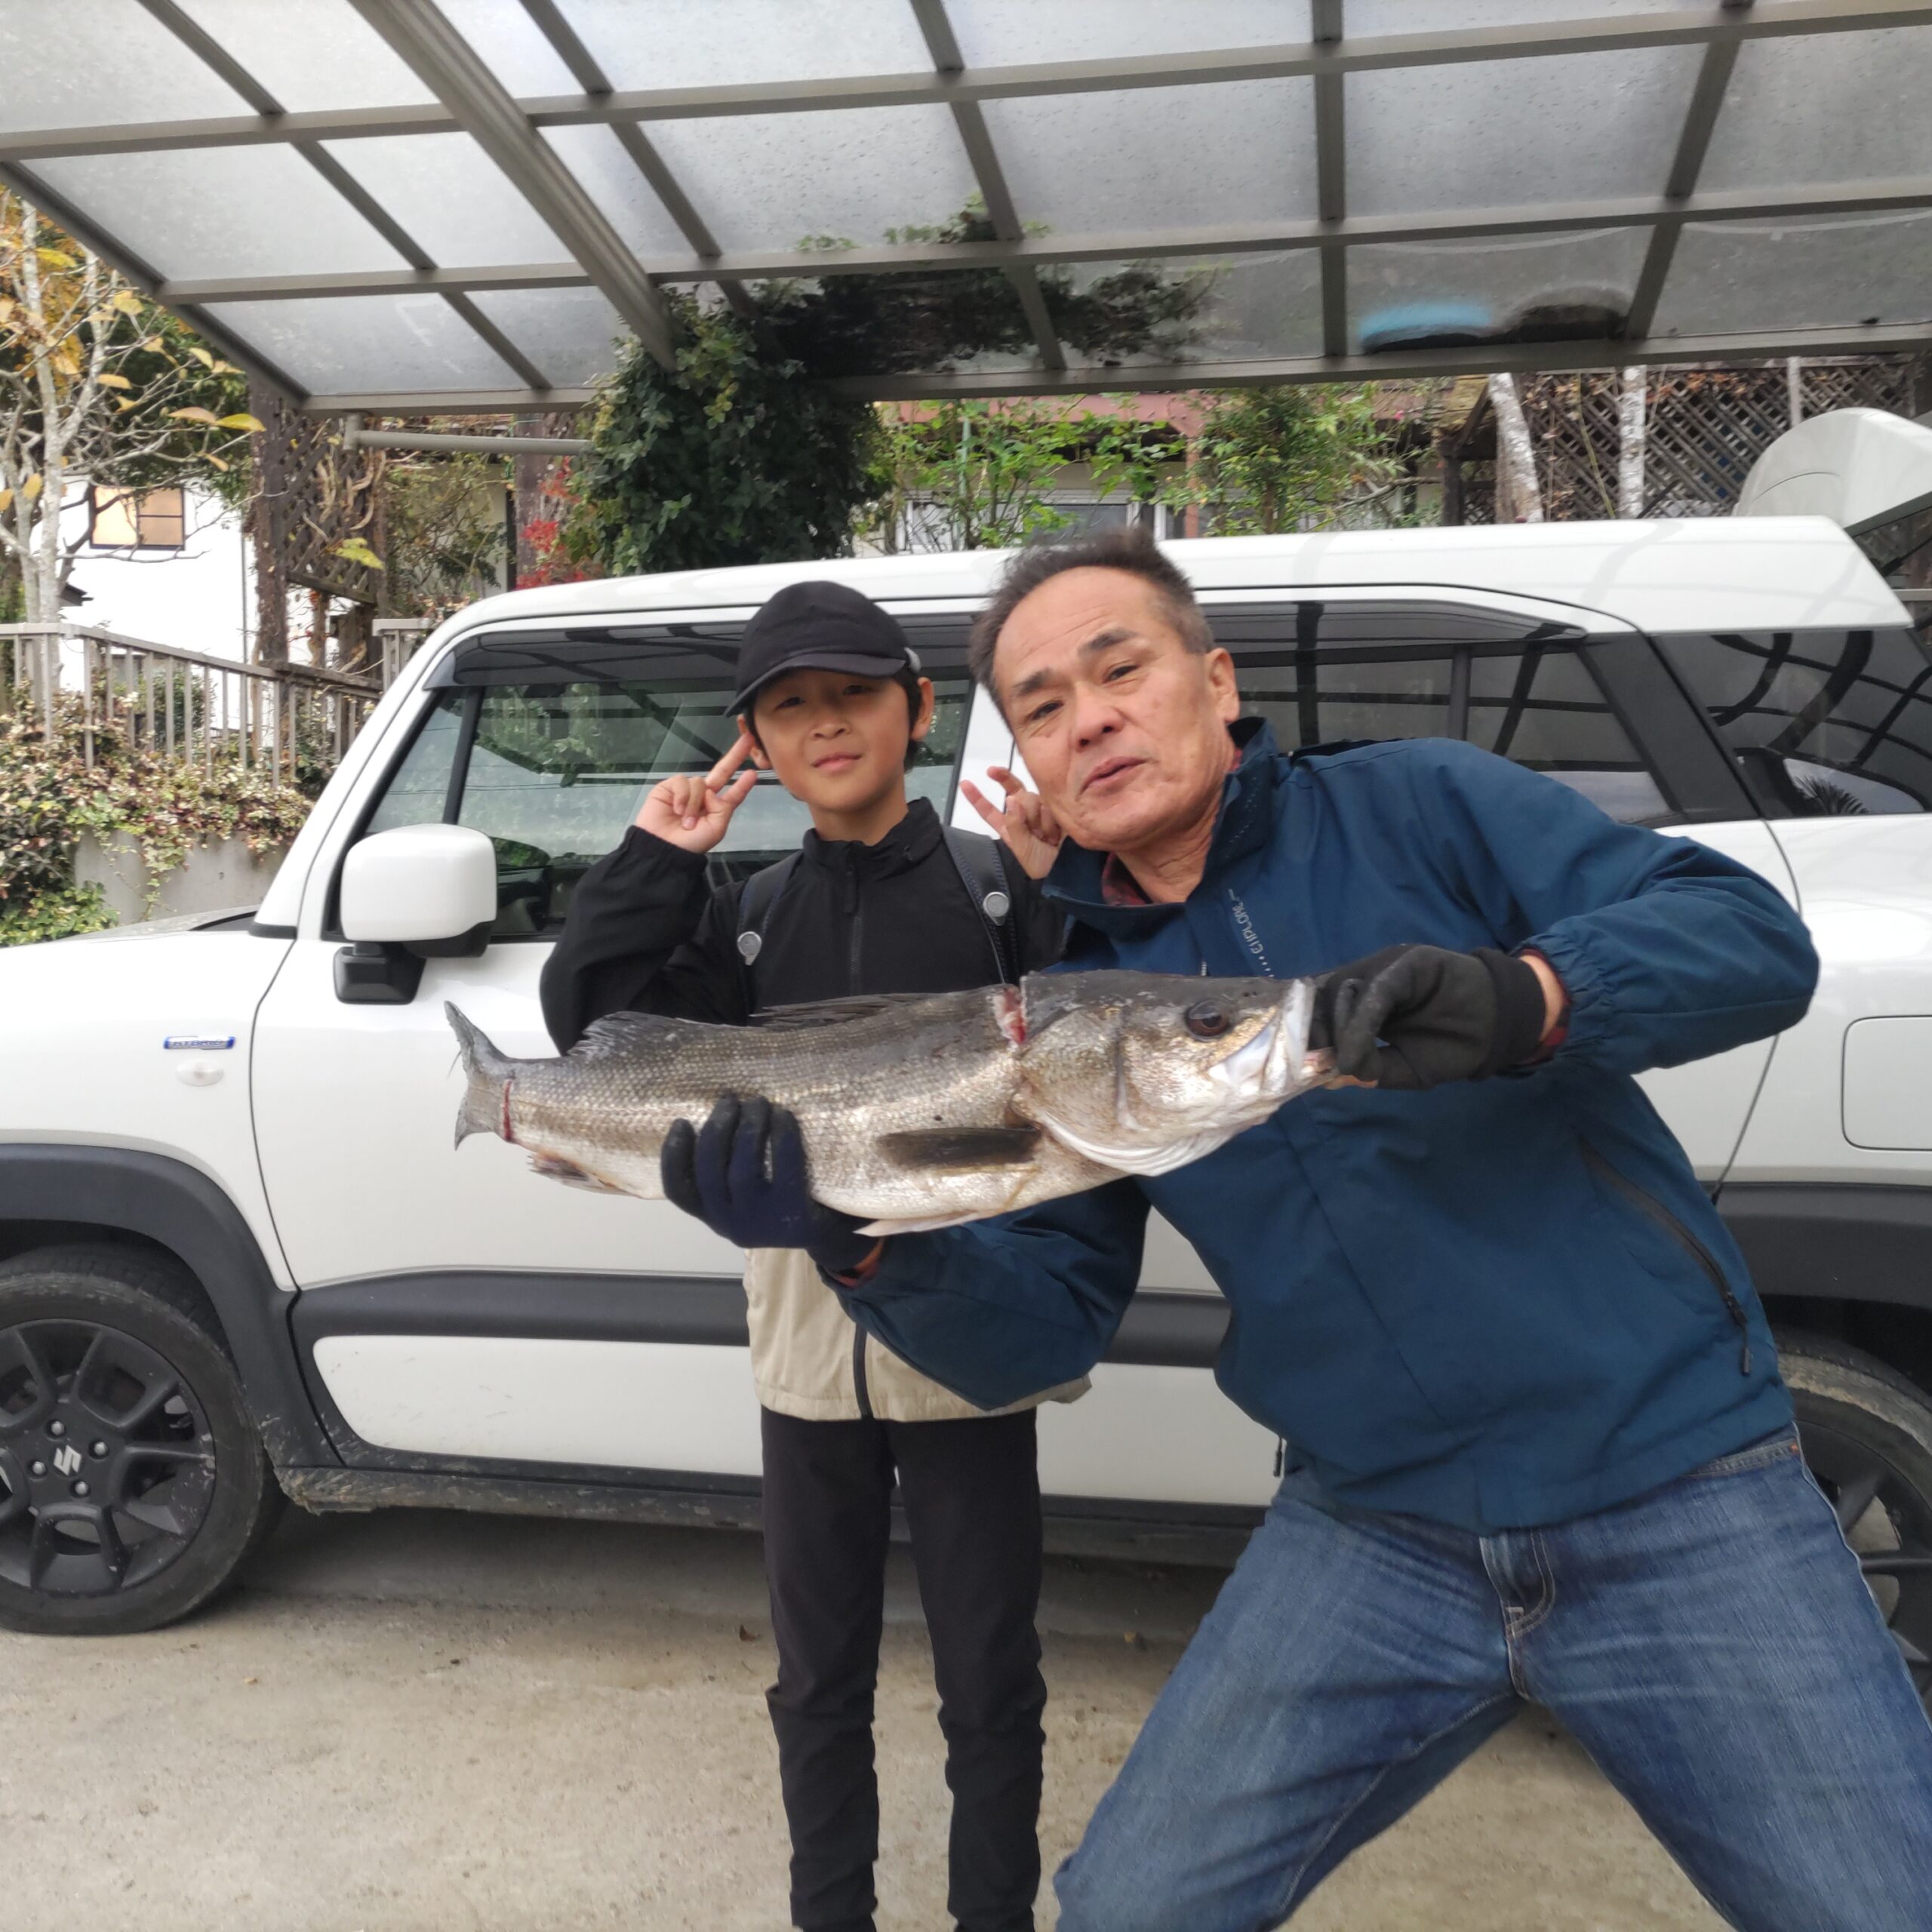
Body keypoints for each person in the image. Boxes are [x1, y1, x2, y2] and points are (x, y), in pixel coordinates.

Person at [657, 528, 1932, 1932]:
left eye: (1119, 667)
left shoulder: (1419, 803)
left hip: (1679, 1489)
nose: (1090, 717)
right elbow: (1038, 1324)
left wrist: (1533, 995)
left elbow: (1749, 935)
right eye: (1040, 706)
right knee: (1132, 1908)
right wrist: (862, 1247)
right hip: (1374, 1528)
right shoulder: (1085, 1002)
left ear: (1216, 680)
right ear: (1020, 759)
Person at [540, 580, 1070, 1932]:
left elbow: (1103, 1044)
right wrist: (659, 857)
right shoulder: (748, 910)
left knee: (990, 1681)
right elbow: (596, 1030)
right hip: (803, 1350)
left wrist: (1073, 893)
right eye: (791, 707)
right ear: (755, 745)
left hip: (962, 1343)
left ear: (920, 711)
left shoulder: (999, 890)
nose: (826, 725)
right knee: (815, 1679)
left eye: (852, 695)